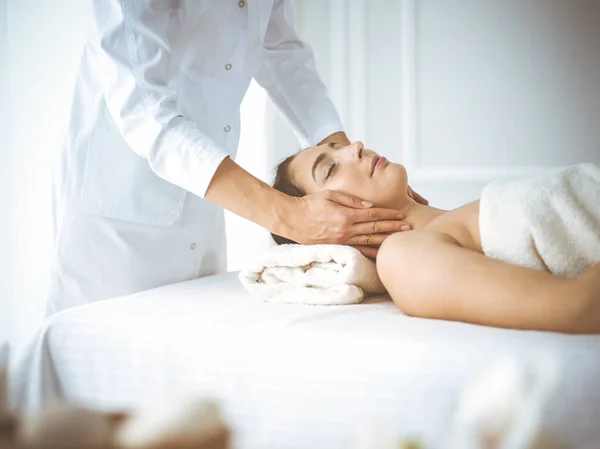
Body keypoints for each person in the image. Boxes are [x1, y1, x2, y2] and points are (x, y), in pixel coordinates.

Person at [47, 1, 425, 316]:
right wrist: (288, 215)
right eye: (330, 166)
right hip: (118, 208)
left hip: (204, 196)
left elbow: (284, 57)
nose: (357, 146)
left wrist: (366, 185)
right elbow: (143, 109)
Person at [270, 140, 600, 334]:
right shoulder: (402, 256)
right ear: (322, 226)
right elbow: (578, 306)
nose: (356, 147)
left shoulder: (458, 220)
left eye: (340, 147)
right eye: (329, 169)